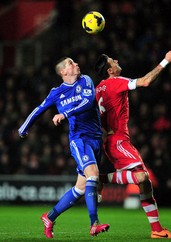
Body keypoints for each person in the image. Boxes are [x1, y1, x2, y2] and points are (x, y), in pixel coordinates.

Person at [18, 57, 109, 238]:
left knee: (81, 188)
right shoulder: (56, 92)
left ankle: (49, 217)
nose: (76, 64)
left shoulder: (86, 80)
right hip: (79, 140)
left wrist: (65, 113)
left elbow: (89, 101)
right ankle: (94, 223)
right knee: (93, 175)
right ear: (63, 72)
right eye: (71, 63)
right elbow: (39, 109)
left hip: (96, 139)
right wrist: (23, 128)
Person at [94, 50, 171, 239]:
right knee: (141, 177)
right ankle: (102, 178)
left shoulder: (98, 88)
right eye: (112, 61)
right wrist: (164, 62)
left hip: (113, 140)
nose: (116, 60)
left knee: (145, 184)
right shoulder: (115, 81)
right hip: (117, 140)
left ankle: (157, 230)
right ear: (110, 70)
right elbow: (145, 81)